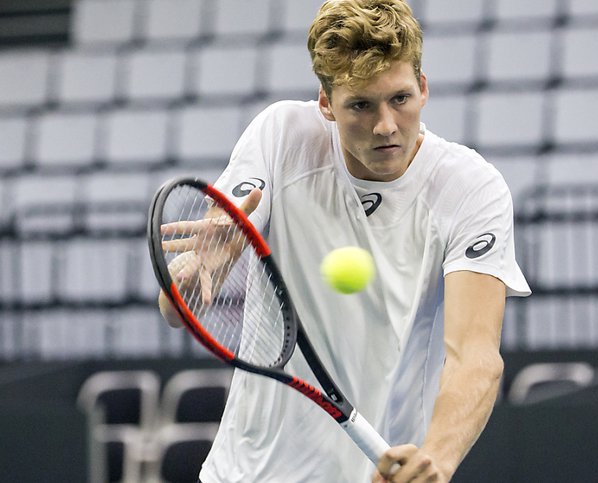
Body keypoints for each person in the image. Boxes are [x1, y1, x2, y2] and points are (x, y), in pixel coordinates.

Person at [159, 0, 530, 481]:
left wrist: (435, 457)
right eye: (360, 105)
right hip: (245, 473)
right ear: (325, 104)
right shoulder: (281, 136)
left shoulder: (470, 188)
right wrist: (196, 276)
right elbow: (183, 297)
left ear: (423, 86)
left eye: (400, 98)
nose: (385, 126)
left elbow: (475, 359)